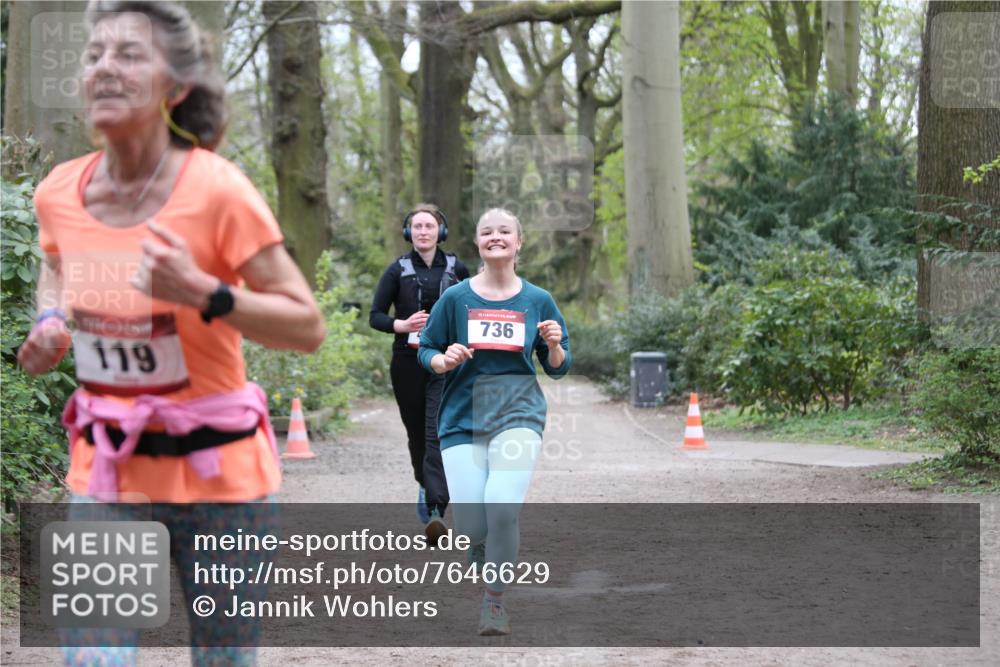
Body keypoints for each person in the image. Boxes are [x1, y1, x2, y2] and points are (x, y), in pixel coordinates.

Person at [16, 1, 325, 664]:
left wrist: (207, 293)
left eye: (129, 54)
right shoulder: (59, 191)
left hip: (220, 473)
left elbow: (306, 324)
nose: (104, 67)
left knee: (222, 657)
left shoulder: (218, 190)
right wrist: (49, 318)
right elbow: (55, 263)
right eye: (94, 54)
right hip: (109, 466)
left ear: (175, 87)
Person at [418, 208, 571, 636]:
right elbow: (425, 349)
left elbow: (558, 366)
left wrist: (555, 346)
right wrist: (442, 360)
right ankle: (479, 544)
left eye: (505, 231)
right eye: (487, 232)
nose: (496, 237)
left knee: (503, 505)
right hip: (462, 418)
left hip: (518, 412)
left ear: (519, 242)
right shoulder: (457, 298)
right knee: (471, 525)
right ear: (478, 243)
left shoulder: (538, 300)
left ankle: (494, 601)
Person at [370, 204, 470, 542]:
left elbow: (477, 306)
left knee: (435, 430)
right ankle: (425, 486)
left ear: (440, 232)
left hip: (445, 362)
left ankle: (436, 507)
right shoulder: (396, 271)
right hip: (406, 361)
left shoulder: (458, 268)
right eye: (417, 226)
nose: (423, 231)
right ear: (408, 232)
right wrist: (401, 324)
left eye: (429, 226)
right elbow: (375, 316)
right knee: (416, 432)